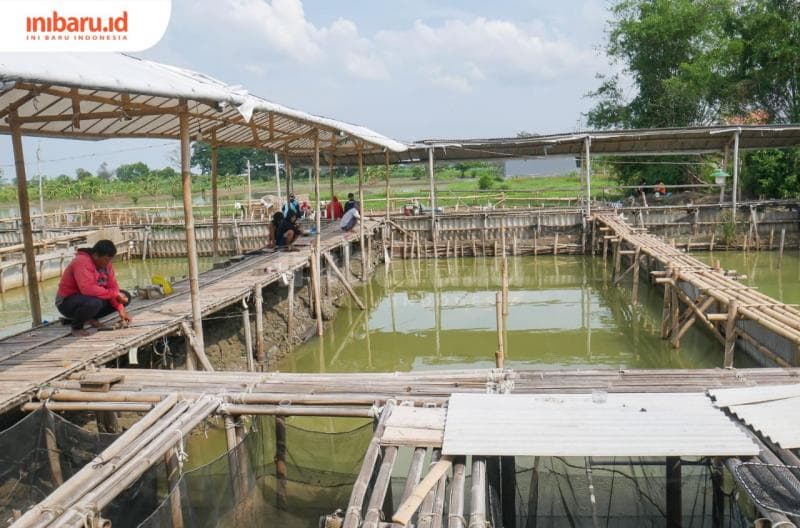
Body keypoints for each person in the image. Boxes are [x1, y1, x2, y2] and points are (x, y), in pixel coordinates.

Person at [55, 240, 132, 337]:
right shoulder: (81, 261)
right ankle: (76, 327)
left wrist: (121, 310)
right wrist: (115, 294)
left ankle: (90, 317)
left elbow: (112, 287)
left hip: (89, 299)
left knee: (125, 296)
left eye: (110, 259)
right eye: (106, 259)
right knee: (94, 302)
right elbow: (87, 289)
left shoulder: (107, 265)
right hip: (67, 302)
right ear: (95, 255)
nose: (108, 263)